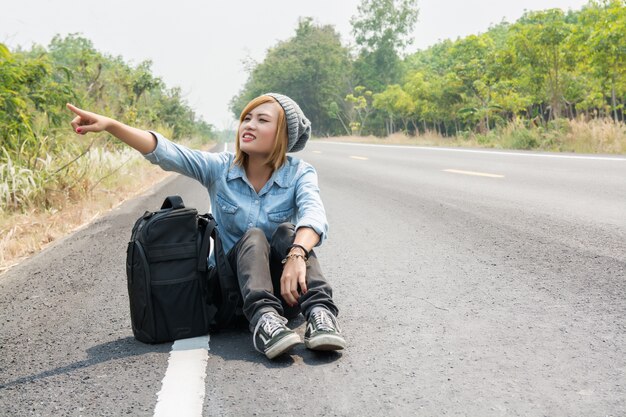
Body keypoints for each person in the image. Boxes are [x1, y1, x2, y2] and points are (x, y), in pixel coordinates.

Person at [67, 93, 346, 359]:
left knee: (289, 232)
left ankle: (321, 315)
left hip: (286, 293)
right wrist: (111, 125)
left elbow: (314, 214)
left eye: (262, 120)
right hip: (232, 294)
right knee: (255, 236)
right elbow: (166, 152)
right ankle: (265, 321)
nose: (249, 125)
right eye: (247, 118)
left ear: (283, 135)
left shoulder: (300, 173)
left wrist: (296, 253)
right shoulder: (220, 168)